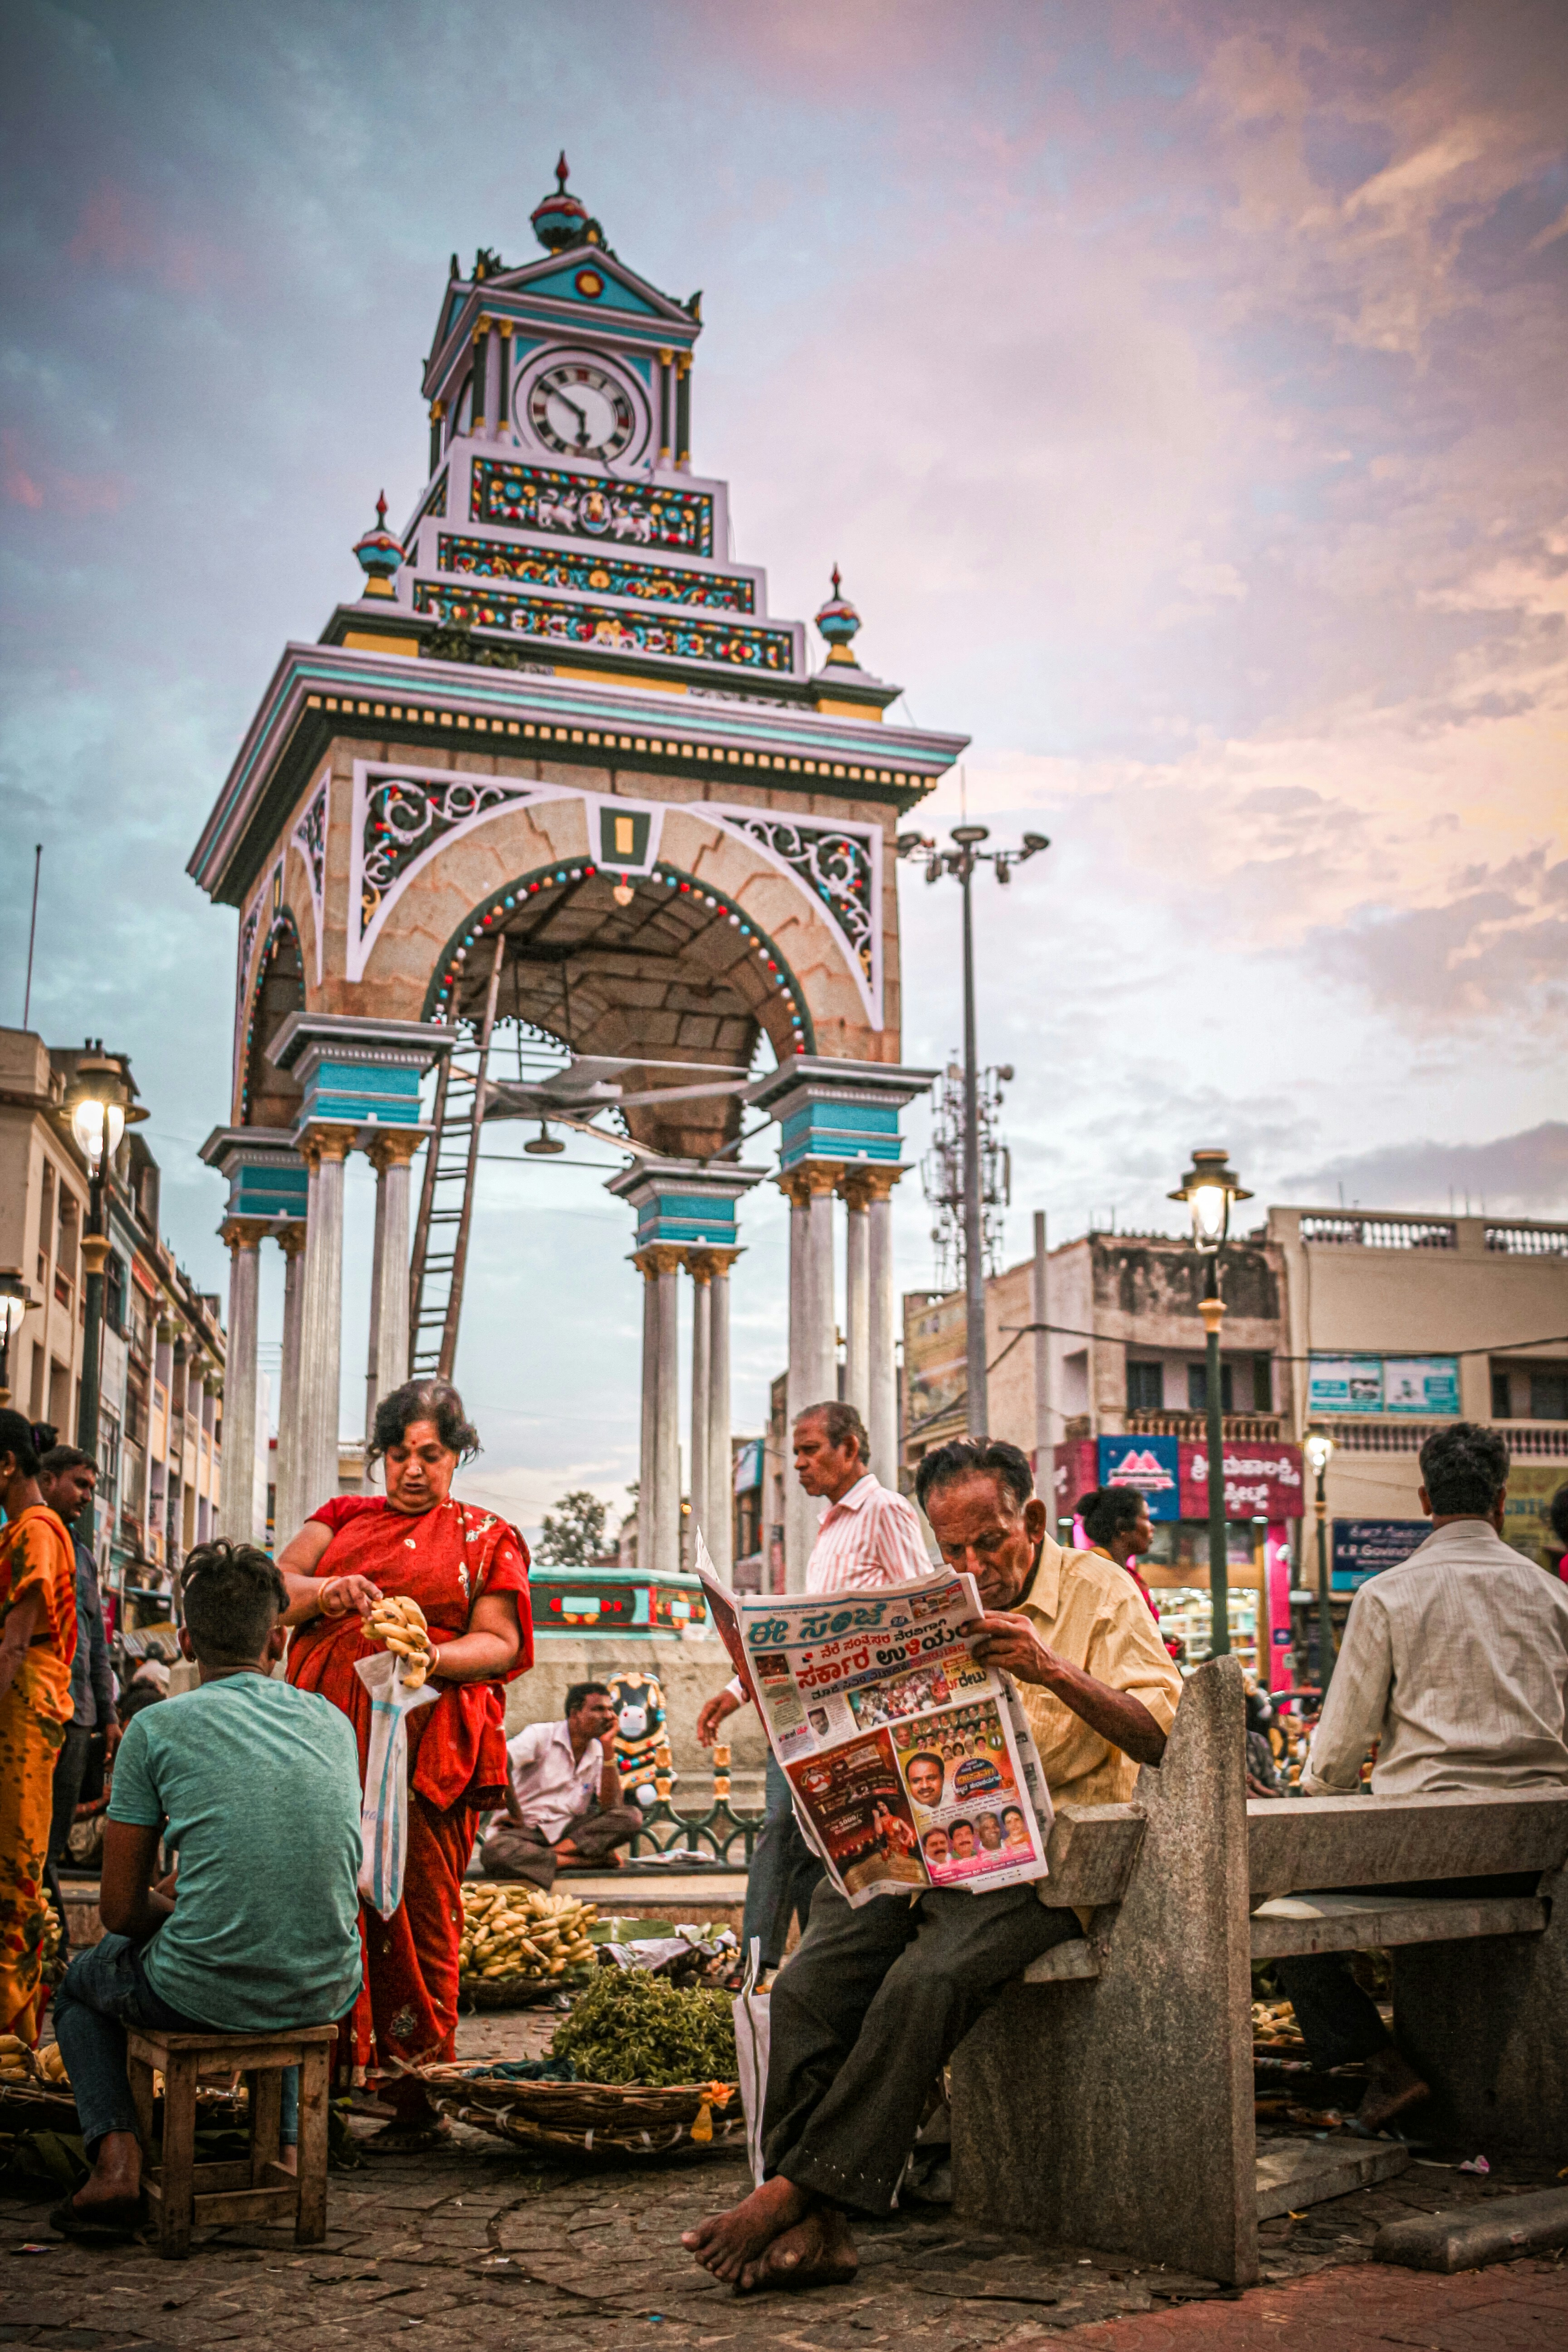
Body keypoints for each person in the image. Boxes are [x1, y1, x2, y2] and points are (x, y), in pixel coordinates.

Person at [685, 1434, 1182, 2292]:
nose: (970, 1564)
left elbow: (1161, 1733)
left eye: (988, 1541)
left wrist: (1050, 1666)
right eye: (951, 1547)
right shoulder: (932, 1598)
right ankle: (829, 2222)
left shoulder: (1101, 1588)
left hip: (1048, 1862)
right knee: (808, 1983)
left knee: (927, 1980)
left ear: (1030, 1517)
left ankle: (794, 2187)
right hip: (923, 1847)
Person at [48, 1542, 363, 2238]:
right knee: (273, 1948)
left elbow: (122, 1910)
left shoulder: (156, 1727)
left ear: (186, 1641)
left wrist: (180, 1909)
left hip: (202, 1993)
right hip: (329, 1982)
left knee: (78, 1986)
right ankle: (283, 2145)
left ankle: (117, 2162)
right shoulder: (334, 1724)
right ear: (278, 1642)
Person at [1274, 1422, 1568, 2135]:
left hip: (1425, 1860)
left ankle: (1380, 2066)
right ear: (1500, 1501)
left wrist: (1310, 1801)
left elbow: (1337, 1760)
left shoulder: (1387, 1595)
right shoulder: (1555, 1600)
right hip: (1539, 1861)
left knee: (1268, 1901)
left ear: (1422, 1497)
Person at [278, 1377, 531, 2151]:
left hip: (425, 1758)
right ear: (380, 1457)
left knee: (416, 1912)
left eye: (431, 1453)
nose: (413, 1469)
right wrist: (328, 1593)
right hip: (324, 1748)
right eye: (398, 1453)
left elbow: (501, 1642)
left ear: (458, 1456)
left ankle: (416, 2092)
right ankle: (313, 2085)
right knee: (319, 1904)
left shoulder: (488, 1535)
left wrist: (430, 1655)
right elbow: (272, 1589)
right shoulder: (341, 1518)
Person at [696, 1401, 929, 1971]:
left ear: (850, 1449)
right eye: (796, 1452)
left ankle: (765, 1962)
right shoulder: (829, 1529)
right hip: (808, 1713)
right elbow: (801, 1643)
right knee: (796, 1840)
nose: (798, 1463)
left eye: (809, 1450)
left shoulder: (885, 1511)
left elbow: (918, 1613)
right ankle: (782, 1967)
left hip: (861, 1716)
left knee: (797, 1836)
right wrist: (737, 1690)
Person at [0, 1410, 78, 2044]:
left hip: (23, 1716)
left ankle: (15, 2035)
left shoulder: (36, 1532)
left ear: (5, 1465)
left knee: (19, 1878)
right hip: (20, 1715)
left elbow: (14, 1647)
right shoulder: (25, 1531)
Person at [37, 1448, 118, 1924]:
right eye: (80, 1484)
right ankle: (51, 1937)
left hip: (78, 1719)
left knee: (54, 1835)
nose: (88, 1495)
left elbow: (97, 1647)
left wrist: (108, 1716)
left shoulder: (83, 1558)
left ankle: (49, 1937)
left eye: (92, 1486)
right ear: (47, 1481)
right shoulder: (25, 1539)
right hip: (36, 1712)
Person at [480, 1682, 643, 1887]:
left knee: (631, 1817)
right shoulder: (541, 1735)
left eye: (611, 1709)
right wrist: (516, 1814)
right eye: (599, 1709)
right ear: (575, 1714)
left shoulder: (599, 1748)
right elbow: (501, 1760)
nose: (610, 1716)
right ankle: (585, 1863)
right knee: (495, 1852)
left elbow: (612, 1809)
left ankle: (553, 1857)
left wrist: (609, 1747)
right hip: (526, 1832)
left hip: (569, 1835)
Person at [1076, 1484, 1179, 1656]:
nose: (1152, 1527)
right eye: (1146, 1519)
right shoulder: (1101, 1577)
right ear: (1123, 1527)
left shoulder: (1121, 1575)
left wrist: (1161, 1640)